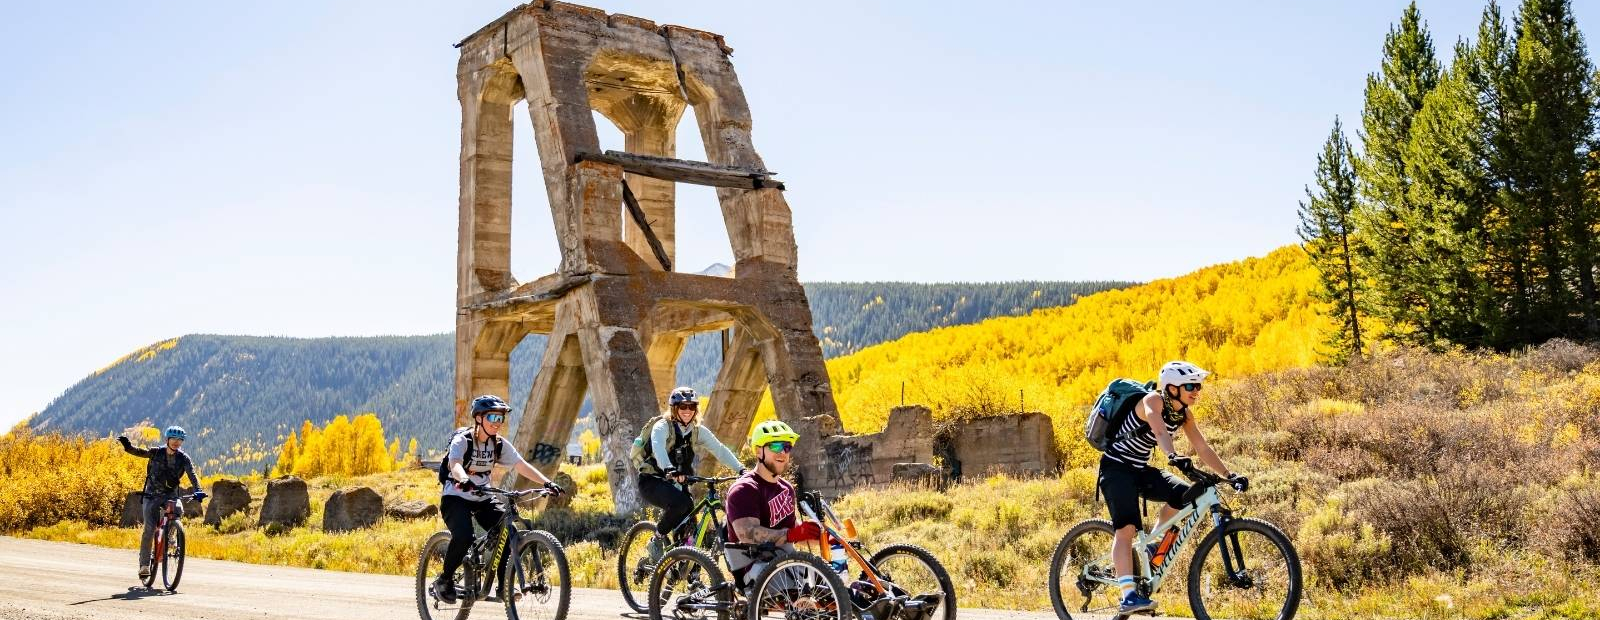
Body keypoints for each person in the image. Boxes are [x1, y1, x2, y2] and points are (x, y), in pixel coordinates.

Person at [1100, 361, 1248, 615]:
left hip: (1139, 469)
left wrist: (1229, 475)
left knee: (1185, 495)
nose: (1196, 390)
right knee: (1126, 529)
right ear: (1171, 388)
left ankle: (1153, 543)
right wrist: (1172, 455)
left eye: (1198, 385)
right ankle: (1128, 596)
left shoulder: (1184, 414)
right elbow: (1158, 430)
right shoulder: (1152, 401)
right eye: (1190, 385)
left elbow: (1202, 447)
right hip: (1116, 468)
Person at [431, 394, 564, 604]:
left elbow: (521, 465)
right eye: (492, 418)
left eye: (500, 419)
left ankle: (503, 588)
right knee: (465, 536)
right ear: (479, 418)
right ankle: (444, 580)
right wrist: (464, 478)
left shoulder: (498, 444)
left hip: (483, 497)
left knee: (509, 533)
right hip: (455, 497)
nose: (497, 423)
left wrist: (547, 483)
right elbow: (454, 464)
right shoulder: (463, 440)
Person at [635, 386, 746, 543]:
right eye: (682, 406)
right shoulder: (663, 426)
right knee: (682, 504)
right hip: (652, 480)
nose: (687, 410)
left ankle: (687, 563)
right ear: (674, 409)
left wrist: (741, 469)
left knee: (690, 527)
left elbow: (720, 450)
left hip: (679, 482)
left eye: (692, 406)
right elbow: (658, 446)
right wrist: (668, 468)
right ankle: (657, 540)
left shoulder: (697, 430)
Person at [722, 420, 820, 589]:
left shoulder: (787, 488)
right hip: (756, 568)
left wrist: (817, 536)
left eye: (787, 447)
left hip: (787, 562)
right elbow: (748, 534)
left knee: (832, 586)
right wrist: (791, 535)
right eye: (775, 446)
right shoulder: (744, 489)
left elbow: (791, 530)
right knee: (807, 596)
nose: (782, 452)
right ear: (759, 451)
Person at [117, 425, 205, 579]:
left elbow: (192, 473)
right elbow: (139, 452)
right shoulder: (156, 452)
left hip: (170, 494)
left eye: (180, 440)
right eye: (174, 439)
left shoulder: (183, 458)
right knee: (149, 529)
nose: (177, 442)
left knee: (178, 510)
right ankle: (144, 565)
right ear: (167, 439)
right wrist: (128, 446)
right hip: (151, 495)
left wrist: (198, 489)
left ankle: (170, 535)